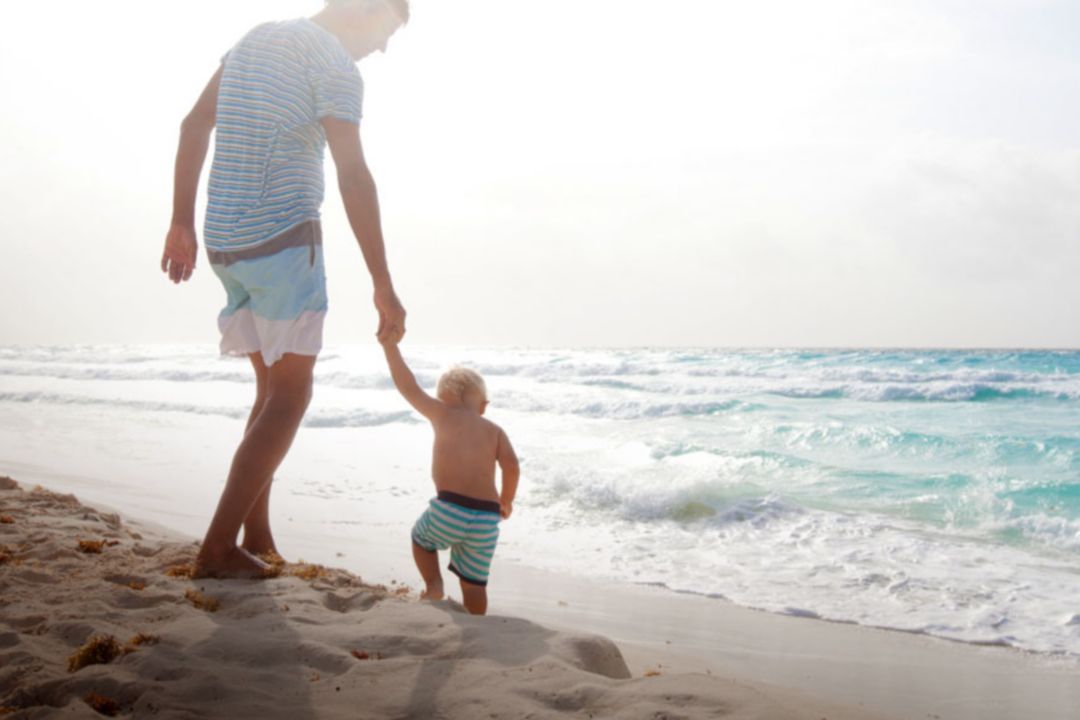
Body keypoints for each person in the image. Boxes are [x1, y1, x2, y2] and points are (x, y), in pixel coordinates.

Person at [160, 0, 410, 578]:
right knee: (292, 397)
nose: (382, 47)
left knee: (271, 390)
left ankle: (256, 530)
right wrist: (383, 283)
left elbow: (194, 123)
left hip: (226, 242)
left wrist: (181, 221)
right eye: (386, 30)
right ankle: (218, 549)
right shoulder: (337, 67)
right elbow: (353, 175)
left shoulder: (257, 37)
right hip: (283, 239)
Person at [380, 338, 520, 615]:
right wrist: (506, 500)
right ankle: (478, 620)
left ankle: (434, 586)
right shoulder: (495, 430)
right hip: (486, 519)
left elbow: (408, 386)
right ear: (483, 405)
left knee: (421, 539)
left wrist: (390, 348)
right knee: (475, 583)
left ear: (444, 398)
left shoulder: (441, 413)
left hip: (449, 509)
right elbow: (512, 466)